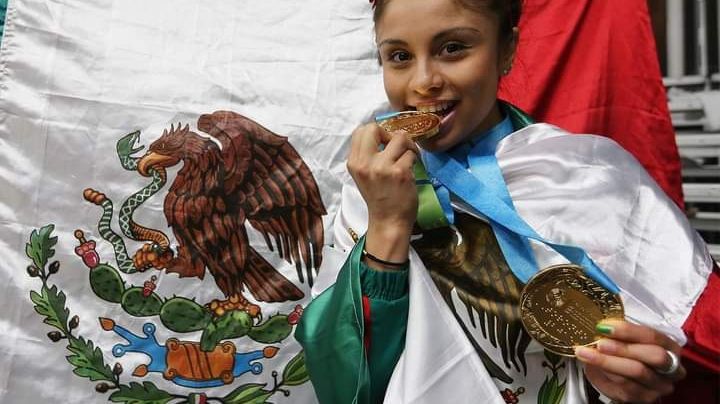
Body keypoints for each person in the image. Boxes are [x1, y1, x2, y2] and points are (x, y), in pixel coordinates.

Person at [295, 0, 716, 403]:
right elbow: (345, 379)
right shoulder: (367, 191)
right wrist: (387, 226)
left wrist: (630, 375)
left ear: (507, 50)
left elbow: (692, 341)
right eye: (400, 56)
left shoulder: (589, 174)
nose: (423, 81)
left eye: (453, 48)